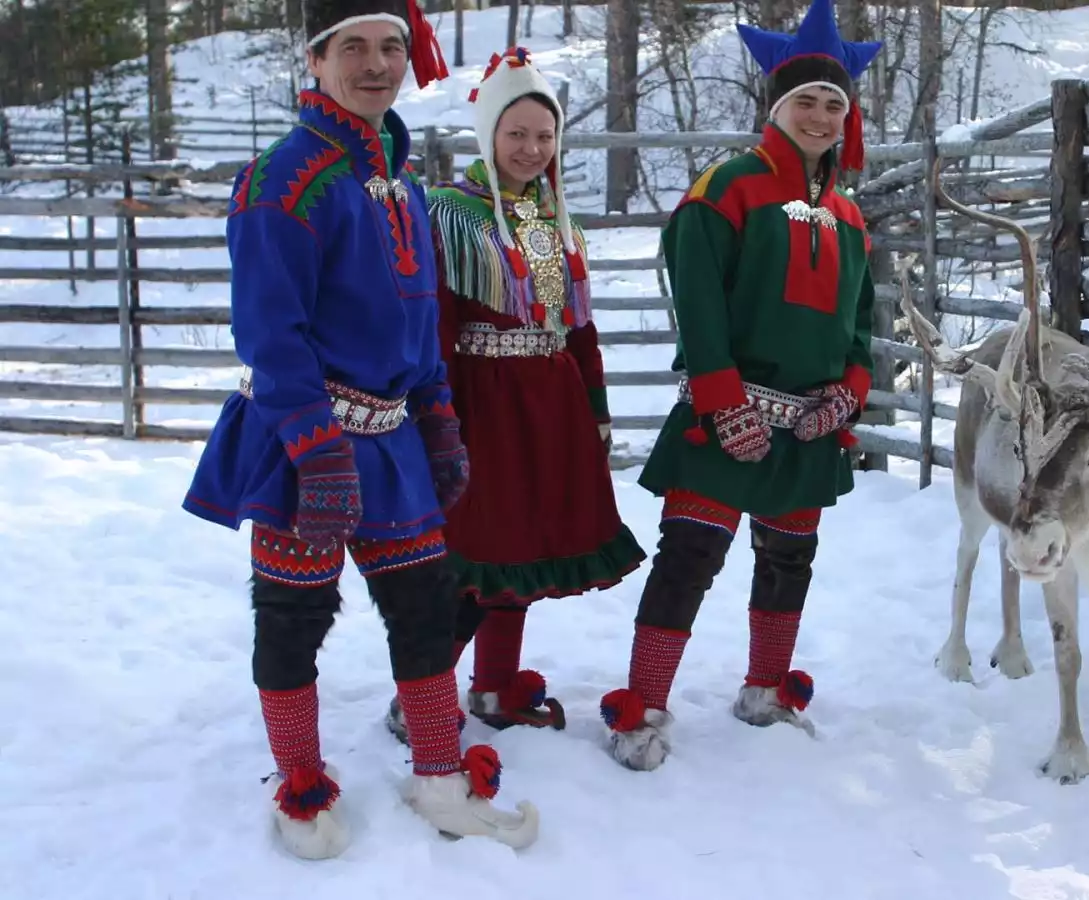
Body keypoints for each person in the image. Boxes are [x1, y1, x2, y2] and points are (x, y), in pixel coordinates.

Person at [181, 0, 537, 859]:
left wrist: (439, 415)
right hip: (301, 443)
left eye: (390, 46)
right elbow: (271, 333)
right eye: (354, 49)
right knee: (294, 617)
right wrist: (316, 448)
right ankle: (300, 783)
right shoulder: (283, 181)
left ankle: (439, 776)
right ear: (316, 61)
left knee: (423, 605)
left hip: (394, 443)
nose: (377, 64)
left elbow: (417, 320)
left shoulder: (400, 181)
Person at [596, 0, 882, 772]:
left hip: (810, 425)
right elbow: (699, 301)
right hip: (728, 420)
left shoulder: (850, 216)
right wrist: (723, 405)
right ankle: (643, 705)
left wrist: (848, 394)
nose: (821, 117)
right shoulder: (727, 188)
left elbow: (862, 322)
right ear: (776, 107)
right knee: (690, 554)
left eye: (833, 105)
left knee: (790, 559)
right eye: (806, 103)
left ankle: (765, 690)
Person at [383, 47, 646, 742]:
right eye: (516, 133)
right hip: (482, 407)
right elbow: (432, 324)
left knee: (520, 557)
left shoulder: (549, 224)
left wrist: (593, 414)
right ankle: (419, 697)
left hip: (548, 407)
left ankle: (496, 689)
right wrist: (432, 420)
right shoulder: (447, 215)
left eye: (544, 135)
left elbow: (574, 330)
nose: (531, 149)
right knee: (474, 559)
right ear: (489, 134)